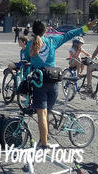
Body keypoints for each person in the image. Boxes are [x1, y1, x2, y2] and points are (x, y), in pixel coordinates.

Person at [23, 19, 97, 149]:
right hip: (54, 82)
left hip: (40, 83)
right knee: (46, 113)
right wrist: (86, 27)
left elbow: (26, 61)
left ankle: (44, 144)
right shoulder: (52, 41)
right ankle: (43, 140)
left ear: (33, 31)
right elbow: (69, 34)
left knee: (42, 114)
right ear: (45, 31)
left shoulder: (30, 45)